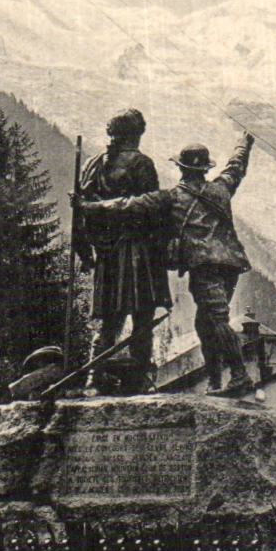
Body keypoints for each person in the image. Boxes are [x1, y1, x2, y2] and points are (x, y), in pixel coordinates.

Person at [81, 133, 256, 395]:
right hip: (231, 265)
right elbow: (236, 166)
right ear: (205, 168)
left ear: (181, 169)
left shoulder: (171, 198)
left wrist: (91, 207)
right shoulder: (221, 189)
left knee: (217, 319)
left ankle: (239, 376)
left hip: (203, 266)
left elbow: (128, 205)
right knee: (205, 321)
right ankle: (215, 382)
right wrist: (245, 142)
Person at [70, 108, 169, 394]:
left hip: (107, 255)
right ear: (135, 135)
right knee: (142, 318)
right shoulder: (141, 164)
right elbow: (151, 211)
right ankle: (137, 380)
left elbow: (81, 215)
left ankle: (94, 377)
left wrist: (86, 253)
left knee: (109, 320)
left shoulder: (91, 164)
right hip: (138, 253)